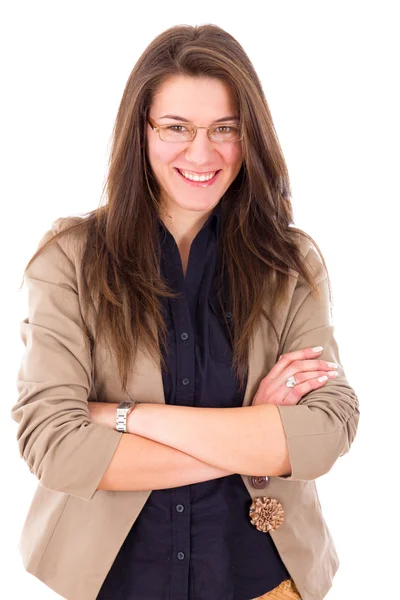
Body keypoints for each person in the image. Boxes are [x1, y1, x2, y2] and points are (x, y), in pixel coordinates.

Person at [11, 23, 359, 600]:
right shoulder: (69, 259)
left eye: (225, 128)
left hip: (263, 580)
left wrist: (124, 416)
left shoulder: (289, 262)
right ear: (140, 132)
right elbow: (55, 446)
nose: (203, 153)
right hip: (116, 583)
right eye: (177, 128)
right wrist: (253, 433)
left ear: (251, 137)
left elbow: (326, 432)